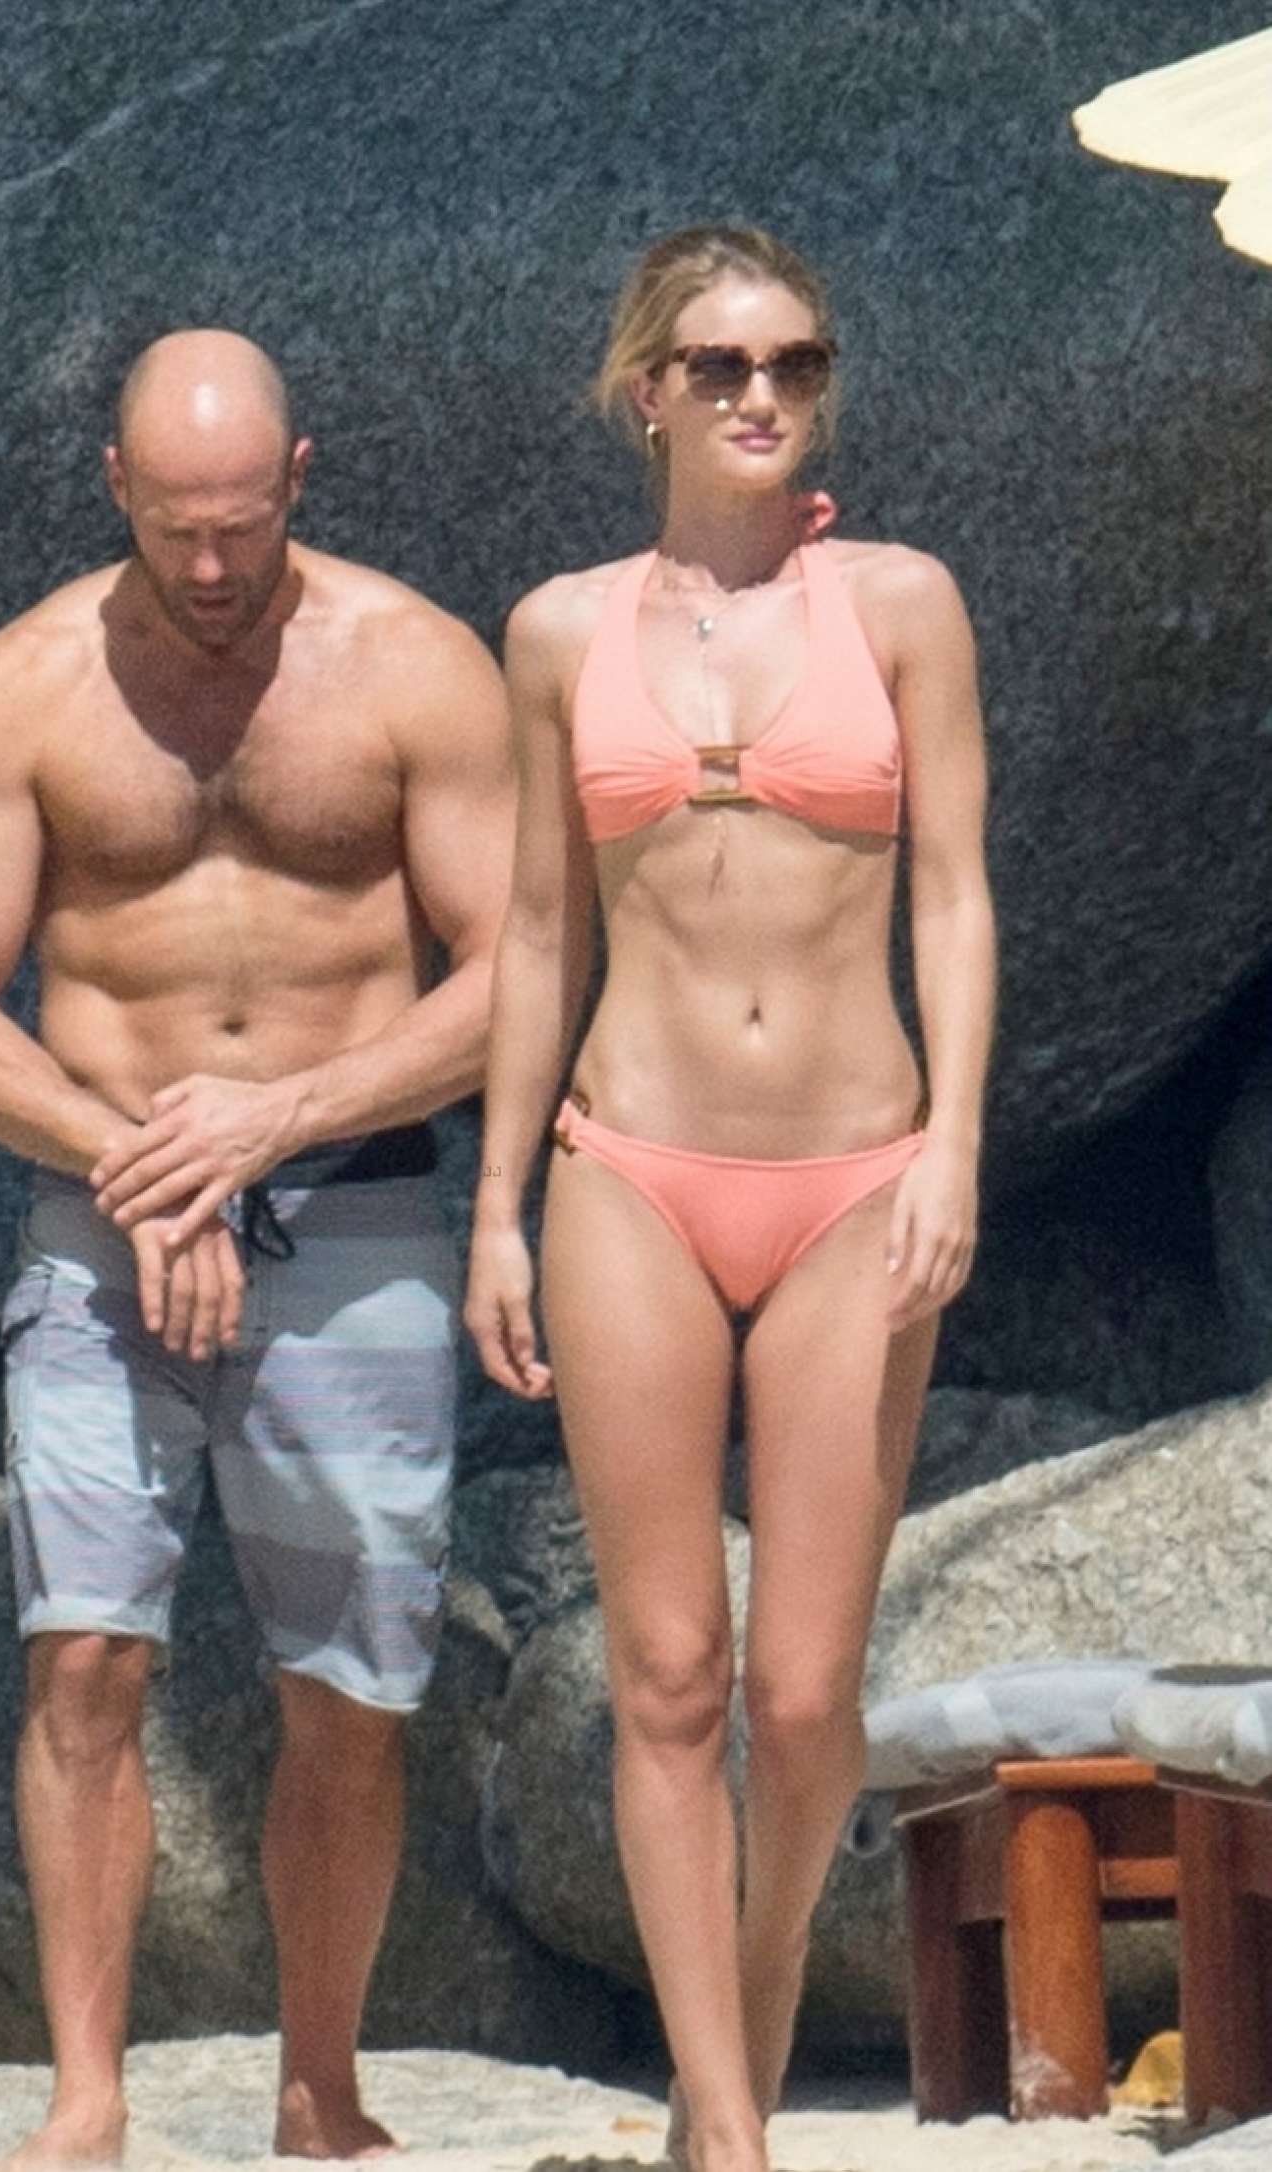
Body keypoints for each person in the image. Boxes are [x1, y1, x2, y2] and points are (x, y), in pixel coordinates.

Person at [0, 328, 514, 2169]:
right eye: (177, 526)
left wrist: (273, 1122)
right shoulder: (22, 688)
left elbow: (522, 975)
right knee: (83, 1659)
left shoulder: (416, 666)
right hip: (103, 1222)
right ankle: (86, 2102)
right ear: (115, 489)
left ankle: (321, 2089)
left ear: (299, 478)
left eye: (243, 521)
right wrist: (149, 1169)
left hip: (352, 1209)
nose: (215, 563)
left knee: (352, 1685)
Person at [465, 226, 994, 2172]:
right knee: (668, 1674)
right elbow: (536, 933)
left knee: (803, 1695)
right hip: (630, 1169)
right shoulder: (554, 631)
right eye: (719, 365)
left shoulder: (902, 603)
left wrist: (953, 1144)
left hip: (857, 1175)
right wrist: (496, 1207)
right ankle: (729, 2132)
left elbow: (954, 895)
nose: (762, 393)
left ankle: (744, 2021)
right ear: (647, 395)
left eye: (794, 362)